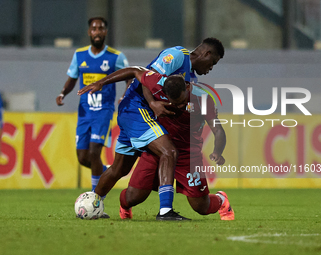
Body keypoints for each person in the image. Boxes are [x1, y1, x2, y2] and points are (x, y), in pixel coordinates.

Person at [78, 38, 225, 220]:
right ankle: (165, 211)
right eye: (213, 63)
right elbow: (142, 74)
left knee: (119, 168)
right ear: (206, 54)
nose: (211, 68)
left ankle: (93, 202)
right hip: (138, 108)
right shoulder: (178, 56)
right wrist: (151, 102)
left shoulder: (190, 78)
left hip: (130, 112)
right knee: (169, 151)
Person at [116, 68, 234, 221]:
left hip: (187, 155)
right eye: (173, 102)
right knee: (133, 197)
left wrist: (218, 152)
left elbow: (218, 130)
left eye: (181, 101)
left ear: (187, 87)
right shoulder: (159, 84)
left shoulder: (203, 99)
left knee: (201, 207)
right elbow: (140, 76)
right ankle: (125, 208)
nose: (178, 106)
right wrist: (151, 102)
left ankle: (221, 200)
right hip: (158, 147)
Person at [56, 17, 131, 218]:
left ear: (106, 32)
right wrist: (63, 93)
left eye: (101, 28)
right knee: (83, 157)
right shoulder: (79, 55)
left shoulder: (116, 56)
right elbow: (72, 78)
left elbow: (130, 76)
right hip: (84, 113)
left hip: (103, 111)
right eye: (94, 28)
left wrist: (125, 94)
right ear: (89, 32)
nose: (97, 31)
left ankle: (96, 201)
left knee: (94, 151)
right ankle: (106, 172)